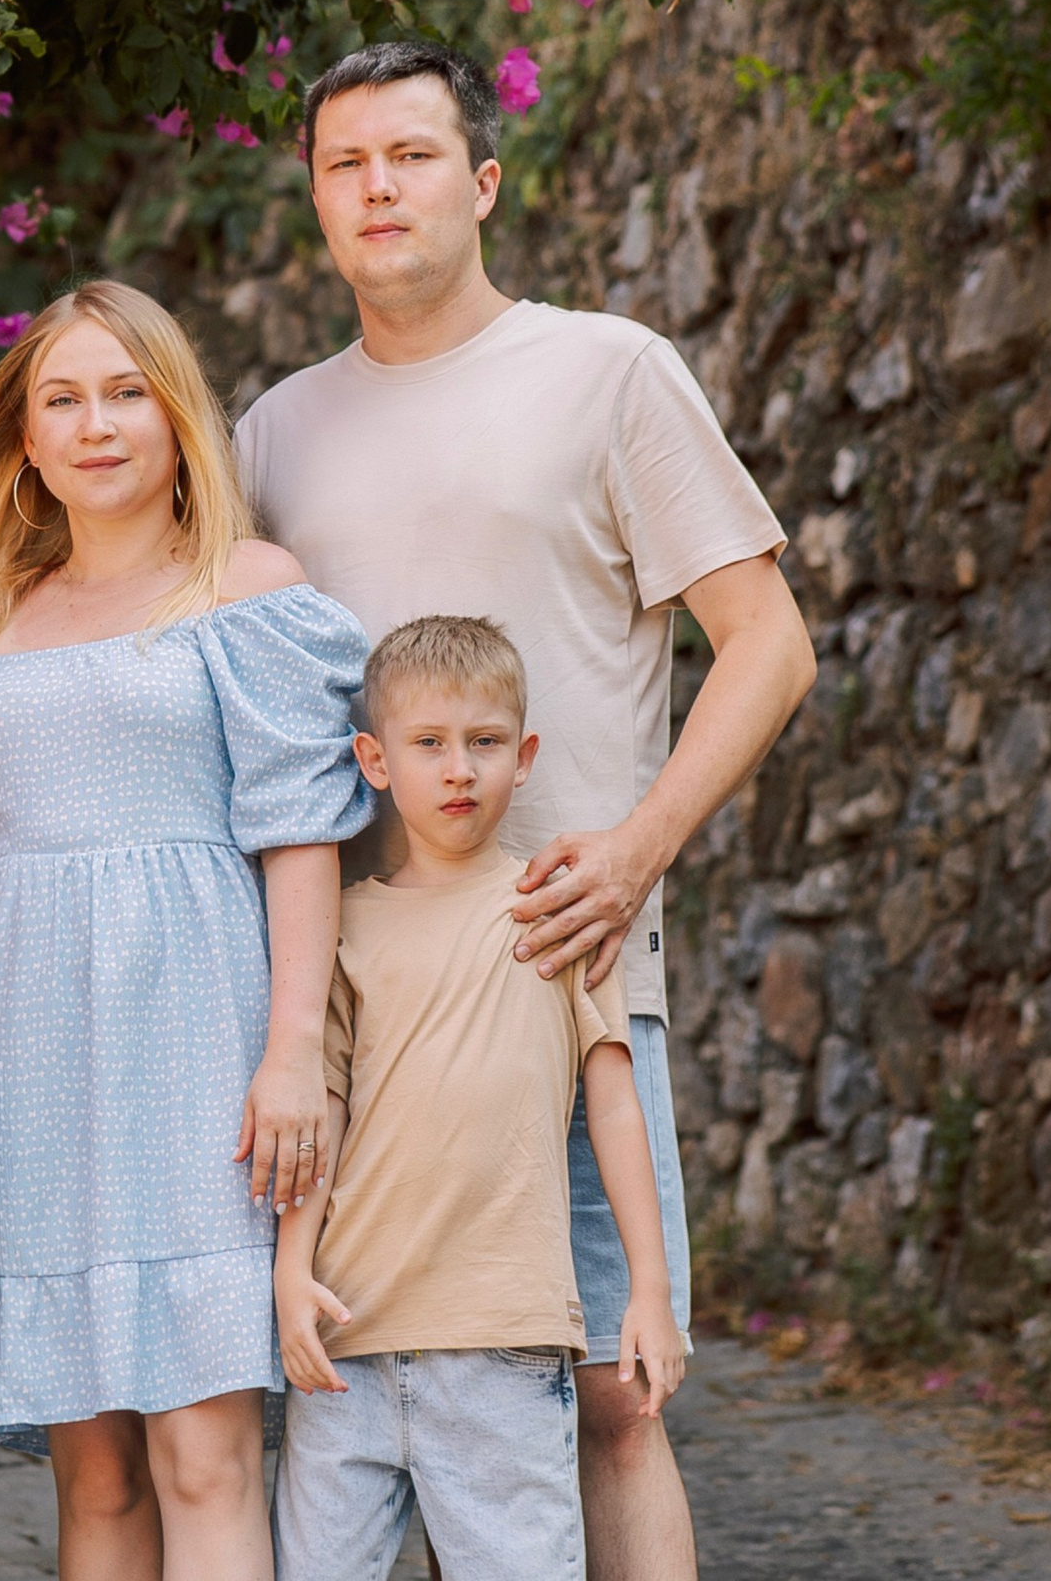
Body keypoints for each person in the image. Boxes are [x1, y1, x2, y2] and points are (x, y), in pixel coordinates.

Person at [236, 41, 816, 1581]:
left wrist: (634, 853)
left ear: (481, 183)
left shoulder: (606, 371)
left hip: (563, 969)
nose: (380, 187)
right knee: (370, 1397)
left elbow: (770, 642)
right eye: (347, 164)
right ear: (315, 199)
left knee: (617, 1396)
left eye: (413, 155)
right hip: (353, 998)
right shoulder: (275, 434)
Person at [0, 279, 374, 1581]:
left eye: (127, 393)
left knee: (205, 1455)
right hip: (25, 1061)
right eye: (63, 400)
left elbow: (298, 832)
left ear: (179, 415)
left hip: (199, 1045)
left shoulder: (247, 589)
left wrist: (293, 1050)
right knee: (91, 1476)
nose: (97, 426)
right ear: (25, 441)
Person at [271, 616, 684, 1581]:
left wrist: (650, 1292)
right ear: (374, 760)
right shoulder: (345, 927)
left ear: (525, 756)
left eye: (485, 743)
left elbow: (615, 1109)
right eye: (429, 745)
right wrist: (292, 1271)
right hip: (348, 1345)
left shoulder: (557, 911)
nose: (459, 770)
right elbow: (318, 1110)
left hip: (505, 1343)